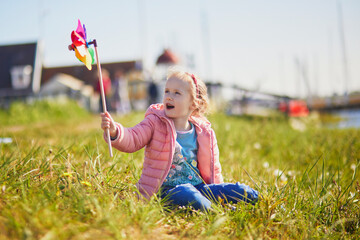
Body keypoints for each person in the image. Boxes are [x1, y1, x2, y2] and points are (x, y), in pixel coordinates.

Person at [100, 68, 258, 211]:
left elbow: (214, 168)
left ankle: (257, 198)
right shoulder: (155, 122)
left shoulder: (204, 132)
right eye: (167, 91)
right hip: (168, 190)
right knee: (188, 194)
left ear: (193, 103)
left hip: (200, 187)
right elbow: (133, 138)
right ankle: (217, 213)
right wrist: (115, 132)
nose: (169, 96)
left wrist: (217, 190)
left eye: (177, 93)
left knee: (236, 190)